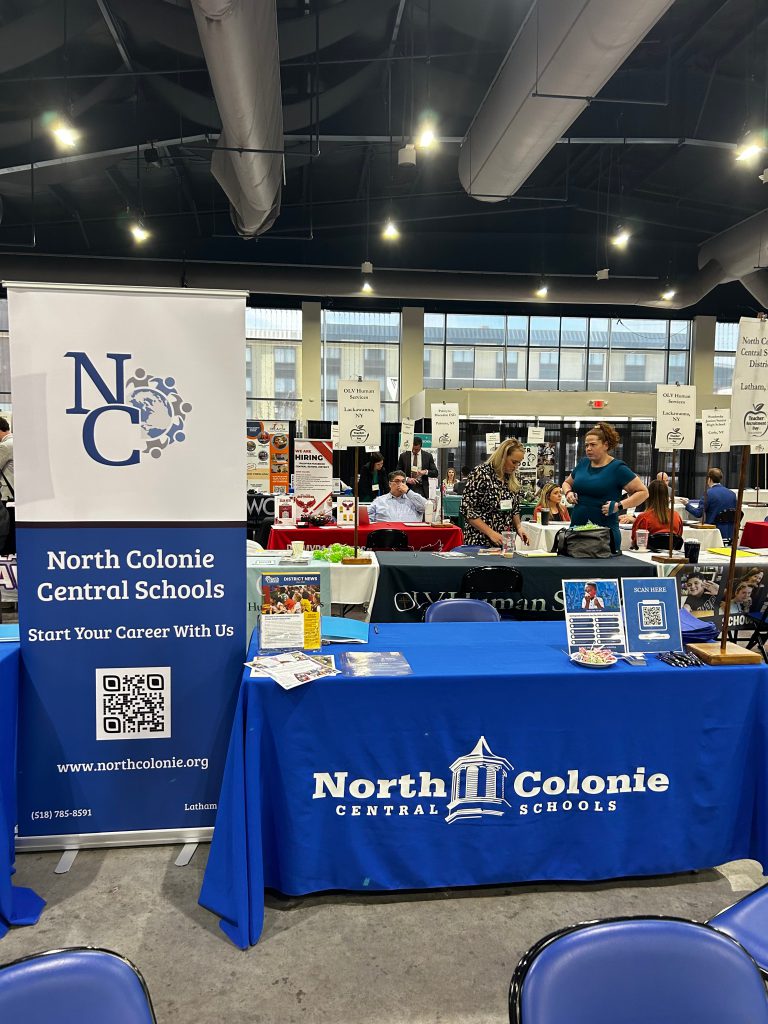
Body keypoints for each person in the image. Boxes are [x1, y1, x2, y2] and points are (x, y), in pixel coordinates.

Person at [561, 422, 649, 552]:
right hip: (577, 532)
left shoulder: (618, 468)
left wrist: (619, 505)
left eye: (593, 445)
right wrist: (568, 492)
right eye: (586, 445)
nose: (588, 448)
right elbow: (566, 483)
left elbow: (643, 492)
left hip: (604, 536)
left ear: (606, 445)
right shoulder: (583, 463)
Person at [459, 438, 530, 548]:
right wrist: (491, 533)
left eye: (519, 463)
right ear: (503, 456)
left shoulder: (512, 477)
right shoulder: (480, 473)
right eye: (514, 462)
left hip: (505, 543)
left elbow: (514, 508)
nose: (516, 466)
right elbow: (468, 510)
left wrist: (519, 527)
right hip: (480, 541)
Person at [631, 479, 683, 548]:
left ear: (648, 496)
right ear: (667, 496)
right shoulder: (676, 516)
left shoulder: (643, 518)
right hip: (670, 553)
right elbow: (678, 537)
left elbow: (636, 541)